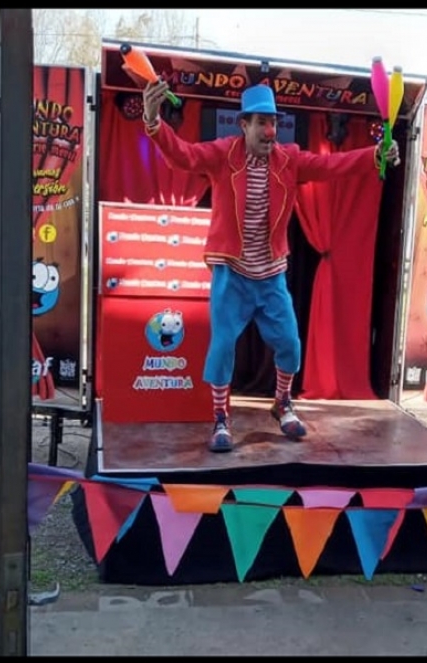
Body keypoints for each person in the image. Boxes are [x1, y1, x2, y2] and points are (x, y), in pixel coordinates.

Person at [138, 77, 400, 453]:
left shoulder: (288, 159)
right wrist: (153, 121)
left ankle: (281, 402)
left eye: (273, 122)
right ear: (243, 125)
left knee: (290, 344)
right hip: (232, 272)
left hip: (271, 274)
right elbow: (183, 156)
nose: (269, 130)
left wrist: (374, 155)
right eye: (260, 122)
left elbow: (331, 166)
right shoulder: (223, 154)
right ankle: (220, 418)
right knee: (223, 346)